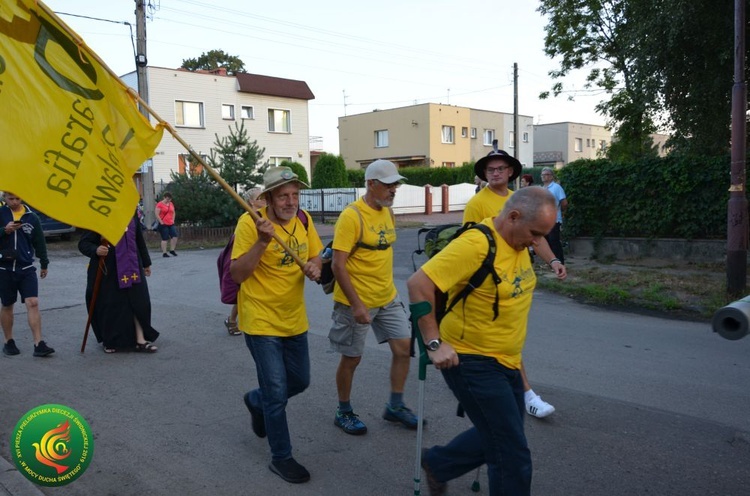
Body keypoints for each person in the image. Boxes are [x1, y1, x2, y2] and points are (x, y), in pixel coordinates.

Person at [407, 186, 558, 496]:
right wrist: (434, 343)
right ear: (513, 216)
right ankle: (440, 464)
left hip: (508, 360)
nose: (536, 241)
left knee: (504, 434)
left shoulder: (518, 241)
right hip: (471, 360)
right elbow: (419, 283)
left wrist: (553, 260)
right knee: (512, 454)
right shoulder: (476, 244)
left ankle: (439, 464)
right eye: (534, 233)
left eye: (542, 236)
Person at [230, 167, 322, 484]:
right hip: (260, 319)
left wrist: (315, 266)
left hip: (294, 318)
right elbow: (237, 274)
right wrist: (261, 242)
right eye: (283, 195)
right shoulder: (249, 224)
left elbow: (316, 254)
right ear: (268, 198)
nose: (291, 202)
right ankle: (281, 457)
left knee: (299, 380)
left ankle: (256, 401)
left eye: (295, 194)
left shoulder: (304, 220)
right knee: (277, 392)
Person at [463, 145, 564, 419]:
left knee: (511, 336)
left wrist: (553, 261)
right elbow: (469, 245)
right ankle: (526, 394)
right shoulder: (477, 203)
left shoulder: (520, 199)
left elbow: (537, 237)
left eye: (500, 169)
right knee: (506, 337)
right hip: (492, 282)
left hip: (518, 277)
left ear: (510, 172)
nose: (495, 173)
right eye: (490, 169)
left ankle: (510, 388)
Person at [328, 159, 420, 436]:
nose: (394, 190)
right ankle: (343, 411)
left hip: (387, 297)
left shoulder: (387, 213)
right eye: (389, 185)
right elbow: (337, 265)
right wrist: (357, 304)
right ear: (371, 184)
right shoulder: (351, 216)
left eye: (396, 185)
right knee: (352, 358)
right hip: (355, 301)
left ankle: (395, 405)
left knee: (404, 350)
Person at [78, 215, 160, 353]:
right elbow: (83, 243)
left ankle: (140, 340)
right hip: (108, 269)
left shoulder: (130, 213)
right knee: (111, 305)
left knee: (139, 302)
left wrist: (146, 263)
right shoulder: (98, 215)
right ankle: (110, 340)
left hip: (133, 266)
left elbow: (138, 239)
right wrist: (96, 250)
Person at [0, 192, 54, 357]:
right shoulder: (1, 213)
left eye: (18, 198)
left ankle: (38, 343)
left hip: (26, 267)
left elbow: (39, 241)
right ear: (4, 198)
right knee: (8, 305)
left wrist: (44, 263)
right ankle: (9, 341)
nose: (15, 202)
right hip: (4, 268)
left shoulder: (32, 217)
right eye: (11, 199)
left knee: (33, 302)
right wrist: (4, 230)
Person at [224, 188, 266, 336]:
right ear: (252, 202)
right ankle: (232, 321)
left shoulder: (265, 216)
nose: (264, 199)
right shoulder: (247, 219)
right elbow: (237, 242)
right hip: (248, 261)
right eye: (260, 197)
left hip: (261, 261)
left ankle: (232, 321)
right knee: (243, 292)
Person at [541, 167, 568, 265]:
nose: (544, 176)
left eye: (547, 174)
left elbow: (564, 202)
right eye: (543, 175)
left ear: (551, 176)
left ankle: (560, 263)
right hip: (544, 220)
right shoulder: (542, 189)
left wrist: (562, 213)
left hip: (554, 219)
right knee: (546, 241)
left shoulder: (556, 187)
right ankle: (551, 262)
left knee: (554, 241)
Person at [155, 192, 178, 257]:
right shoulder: (159, 204)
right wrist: (161, 221)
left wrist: (173, 220)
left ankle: (172, 250)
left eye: (170, 199)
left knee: (174, 236)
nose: (168, 200)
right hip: (163, 223)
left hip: (170, 223)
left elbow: (173, 212)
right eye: (167, 199)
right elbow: (156, 214)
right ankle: (164, 252)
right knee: (165, 238)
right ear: (164, 197)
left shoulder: (171, 204)